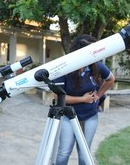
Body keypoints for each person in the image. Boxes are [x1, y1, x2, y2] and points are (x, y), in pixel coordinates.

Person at [54, 34, 115, 165]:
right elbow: (59, 98)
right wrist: (83, 99)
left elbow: (111, 79)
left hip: (90, 116)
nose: (94, 54)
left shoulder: (95, 66)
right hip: (68, 116)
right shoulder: (64, 67)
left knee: (84, 152)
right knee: (64, 152)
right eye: (91, 51)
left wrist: (98, 94)